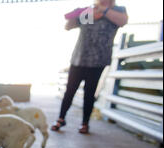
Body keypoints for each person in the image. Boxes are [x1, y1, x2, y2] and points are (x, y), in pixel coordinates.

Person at [51, 0, 128, 134]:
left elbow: (122, 21)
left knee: (89, 93)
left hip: (98, 60)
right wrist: (78, 14)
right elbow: (68, 26)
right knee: (70, 91)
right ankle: (61, 118)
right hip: (79, 58)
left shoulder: (119, 10)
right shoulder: (89, 11)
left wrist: (103, 10)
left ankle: (85, 123)